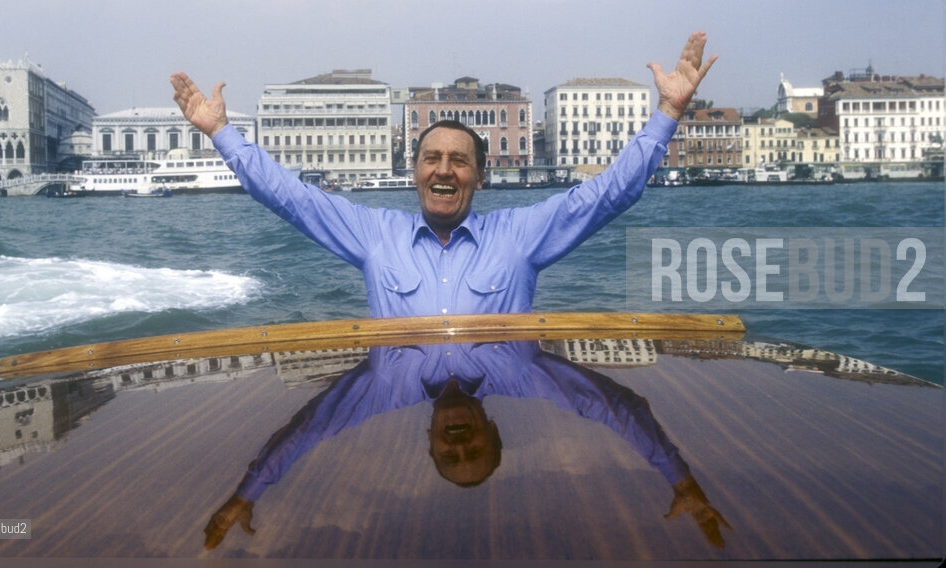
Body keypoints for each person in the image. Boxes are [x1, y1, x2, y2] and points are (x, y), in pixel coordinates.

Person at [170, 31, 716, 319]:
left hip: (498, 395)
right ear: (415, 172)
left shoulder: (522, 235)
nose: (444, 171)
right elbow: (289, 197)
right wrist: (221, 133)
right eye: (432, 159)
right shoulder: (372, 235)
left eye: (459, 162)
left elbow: (608, 195)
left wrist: (667, 113)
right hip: (403, 409)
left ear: (479, 177)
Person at [201, 340, 731, 550]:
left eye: (448, 455)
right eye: (474, 452)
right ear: (493, 430)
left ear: (428, 441)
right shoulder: (521, 370)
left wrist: (248, 493)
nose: (460, 446)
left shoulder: (384, 386)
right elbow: (616, 407)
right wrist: (680, 480)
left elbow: (310, 428)